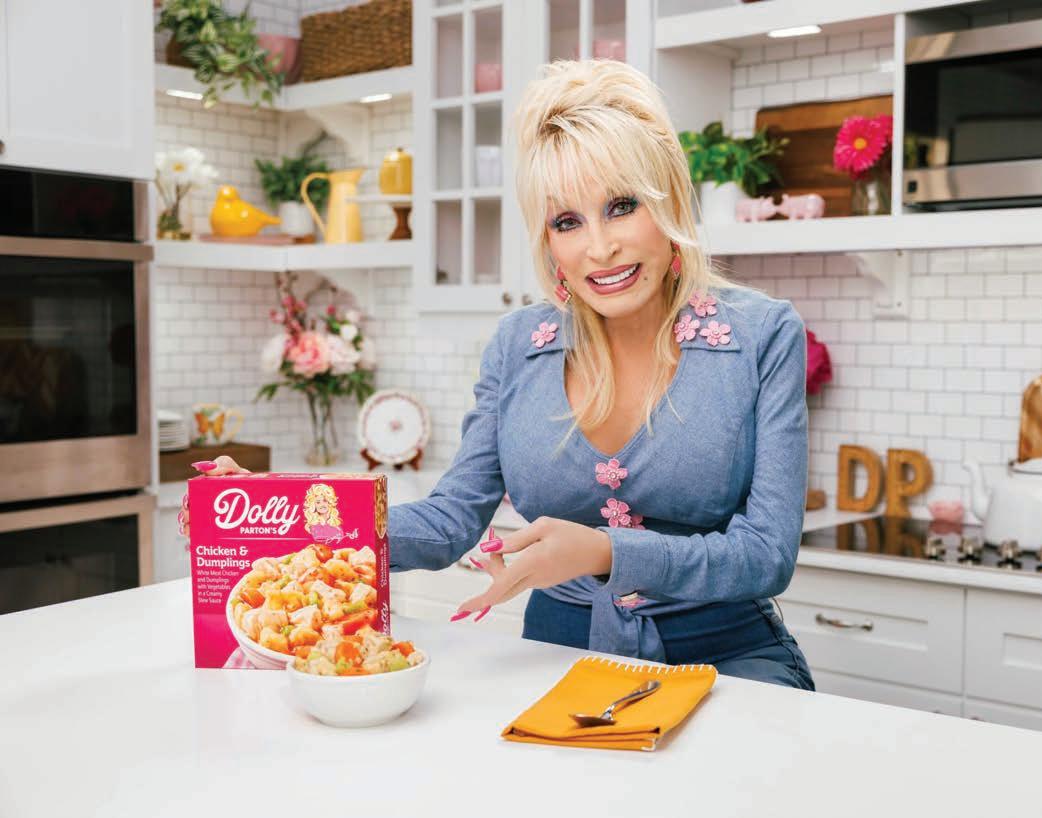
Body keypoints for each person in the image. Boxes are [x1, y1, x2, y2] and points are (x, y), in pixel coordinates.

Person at [189, 59, 813, 690]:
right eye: (567, 221)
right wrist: (275, 512)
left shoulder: (761, 335)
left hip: (728, 659)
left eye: (622, 207)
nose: (599, 247)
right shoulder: (519, 346)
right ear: (548, 240)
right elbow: (449, 521)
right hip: (555, 660)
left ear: (670, 203)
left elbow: (766, 555)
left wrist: (605, 551)